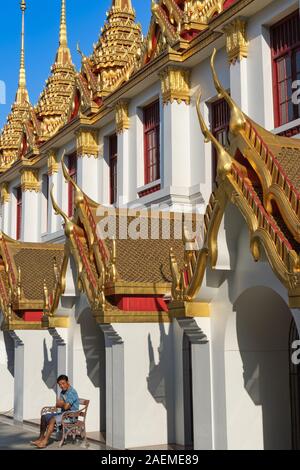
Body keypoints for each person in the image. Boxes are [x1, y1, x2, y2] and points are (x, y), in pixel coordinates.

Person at [31, 375, 80, 449]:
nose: (62, 386)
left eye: (63, 383)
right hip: (63, 414)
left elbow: (66, 406)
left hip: (71, 416)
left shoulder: (72, 392)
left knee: (53, 419)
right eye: (60, 384)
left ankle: (45, 442)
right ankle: (41, 438)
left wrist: (62, 404)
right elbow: (58, 405)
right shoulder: (63, 392)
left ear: (68, 382)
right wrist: (61, 404)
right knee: (44, 417)